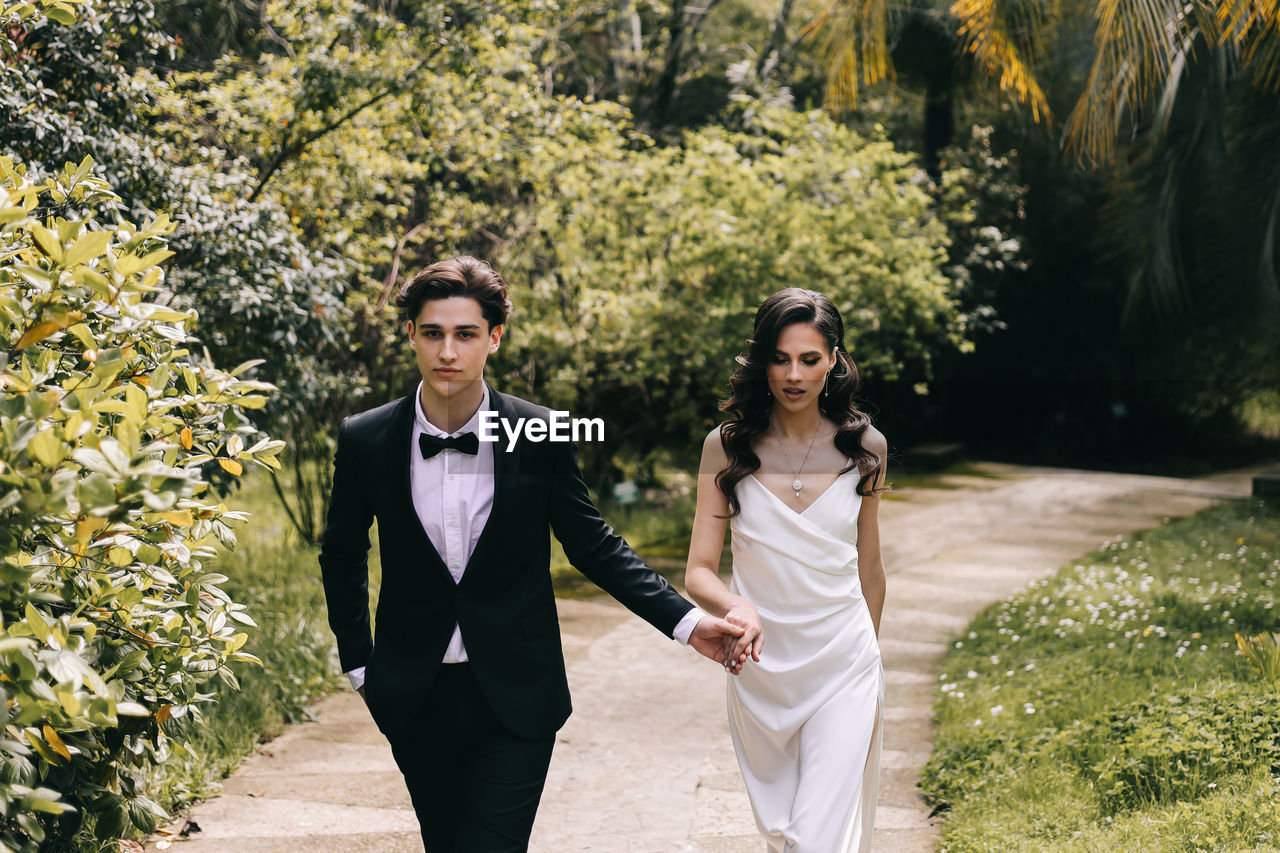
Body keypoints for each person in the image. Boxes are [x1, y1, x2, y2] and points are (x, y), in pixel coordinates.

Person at [318, 256, 747, 852]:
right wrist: (360, 664)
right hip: (413, 691)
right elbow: (340, 554)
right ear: (410, 334)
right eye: (434, 333)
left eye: (466, 334)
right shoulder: (365, 437)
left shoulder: (541, 432)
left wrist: (687, 622)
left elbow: (593, 545)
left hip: (516, 692)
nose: (448, 351)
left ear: (494, 338)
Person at [684, 287, 888, 852]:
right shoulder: (725, 449)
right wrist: (735, 606)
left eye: (809, 358)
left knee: (815, 838)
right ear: (761, 361)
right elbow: (698, 571)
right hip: (762, 667)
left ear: (834, 362)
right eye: (780, 358)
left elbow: (869, 569)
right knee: (784, 835)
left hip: (845, 662)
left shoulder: (866, 447)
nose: (793, 374)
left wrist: (869, 665)